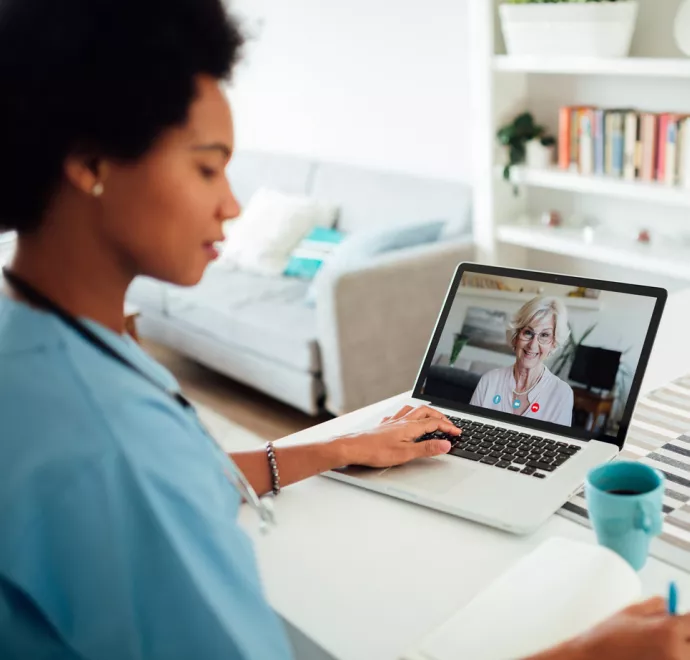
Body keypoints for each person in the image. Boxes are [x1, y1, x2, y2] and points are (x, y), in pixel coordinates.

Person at [0, 1, 687, 659]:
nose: (233, 203)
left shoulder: (41, 342)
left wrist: (341, 447)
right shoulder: (108, 445)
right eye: (207, 166)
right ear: (90, 163)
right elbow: (147, 480)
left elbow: (189, 477)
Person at [470, 296, 575, 426]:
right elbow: (470, 429)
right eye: (528, 333)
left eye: (544, 335)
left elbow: (558, 444)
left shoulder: (562, 394)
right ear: (516, 336)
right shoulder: (489, 381)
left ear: (553, 343)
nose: (533, 345)